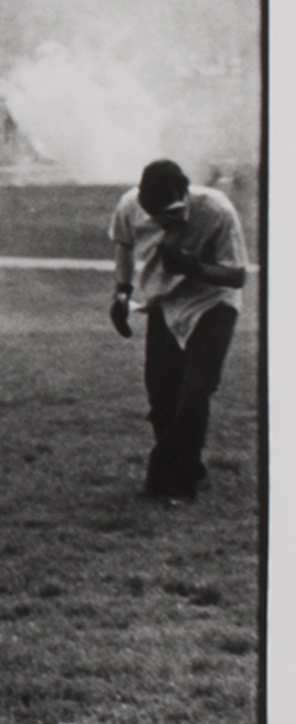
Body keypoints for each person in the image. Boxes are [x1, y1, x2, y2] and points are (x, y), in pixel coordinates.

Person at [108, 158, 248, 504]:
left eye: (168, 211)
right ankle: (189, 465)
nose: (161, 220)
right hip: (164, 302)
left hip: (213, 302)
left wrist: (193, 267)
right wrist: (122, 293)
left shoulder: (216, 209)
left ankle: (171, 481)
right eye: (152, 213)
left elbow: (236, 276)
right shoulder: (129, 206)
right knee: (162, 396)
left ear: (184, 193)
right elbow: (124, 246)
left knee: (198, 386)